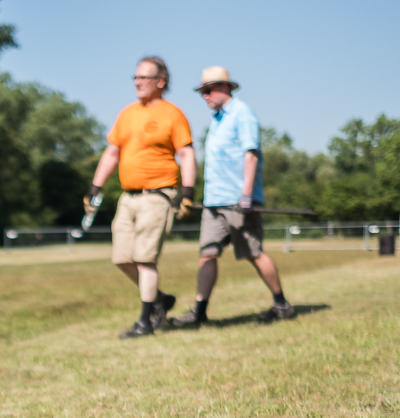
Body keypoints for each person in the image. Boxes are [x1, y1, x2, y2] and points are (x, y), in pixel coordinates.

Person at [170, 66, 295, 327]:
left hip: (238, 202)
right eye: (202, 91)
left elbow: (251, 154)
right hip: (214, 201)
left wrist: (246, 195)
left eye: (208, 90)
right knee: (207, 254)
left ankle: (281, 304)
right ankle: (199, 311)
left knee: (253, 252)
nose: (204, 96)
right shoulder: (217, 120)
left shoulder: (242, 113)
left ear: (225, 87)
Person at [85, 56, 196, 338]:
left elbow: (186, 154)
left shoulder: (173, 114)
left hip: (158, 195)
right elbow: (112, 152)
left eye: (144, 77)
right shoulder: (127, 113)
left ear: (161, 82)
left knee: (145, 259)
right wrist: (95, 187)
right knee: (122, 258)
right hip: (128, 197)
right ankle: (159, 300)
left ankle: (145, 322)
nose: (137, 82)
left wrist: (187, 192)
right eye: (135, 77)